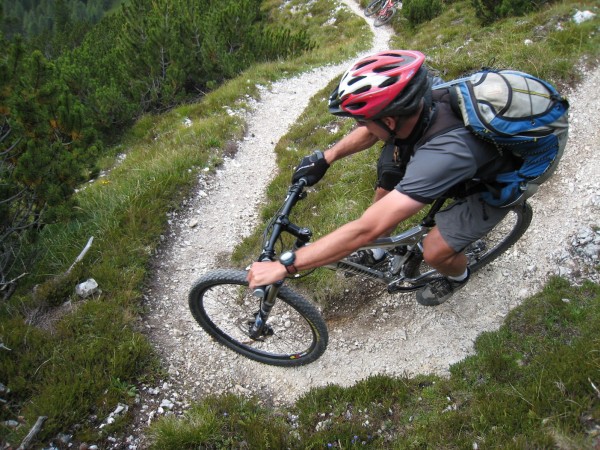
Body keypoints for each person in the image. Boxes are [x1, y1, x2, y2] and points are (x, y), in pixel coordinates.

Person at [247, 50, 520, 306]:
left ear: (389, 122)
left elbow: (368, 228)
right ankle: (379, 252)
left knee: (434, 250)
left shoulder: (442, 156)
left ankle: (457, 277)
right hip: (446, 152)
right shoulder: (419, 99)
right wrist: (326, 158)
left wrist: (285, 265)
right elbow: (373, 129)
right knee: (388, 182)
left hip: (498, 180)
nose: (360, 127)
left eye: (361, 121)